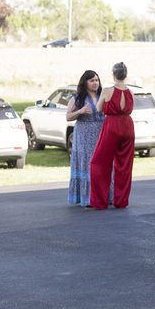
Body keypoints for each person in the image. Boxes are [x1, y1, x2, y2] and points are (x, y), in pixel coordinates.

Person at [89, 62, 134, 209]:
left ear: (113, 74)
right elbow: (130, 108)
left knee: (98, 163)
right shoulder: (131, 92)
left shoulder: (107, 91)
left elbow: (99, 108)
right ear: (125, 74)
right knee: (124, 166)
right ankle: (121, 201)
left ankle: (99, 201)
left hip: (112, 126)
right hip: (127, 127)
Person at [66, 70, 104, 207]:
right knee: (87, 164)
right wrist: (81, 111)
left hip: (101, 134)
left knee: (102, 165)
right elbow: (68, 117)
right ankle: (87, 198)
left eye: (97, 80)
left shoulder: (102, 96)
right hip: (84, 134)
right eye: (92, 80)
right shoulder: (78, 98)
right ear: (85, 82)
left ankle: (104, 196)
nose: (95, 83)